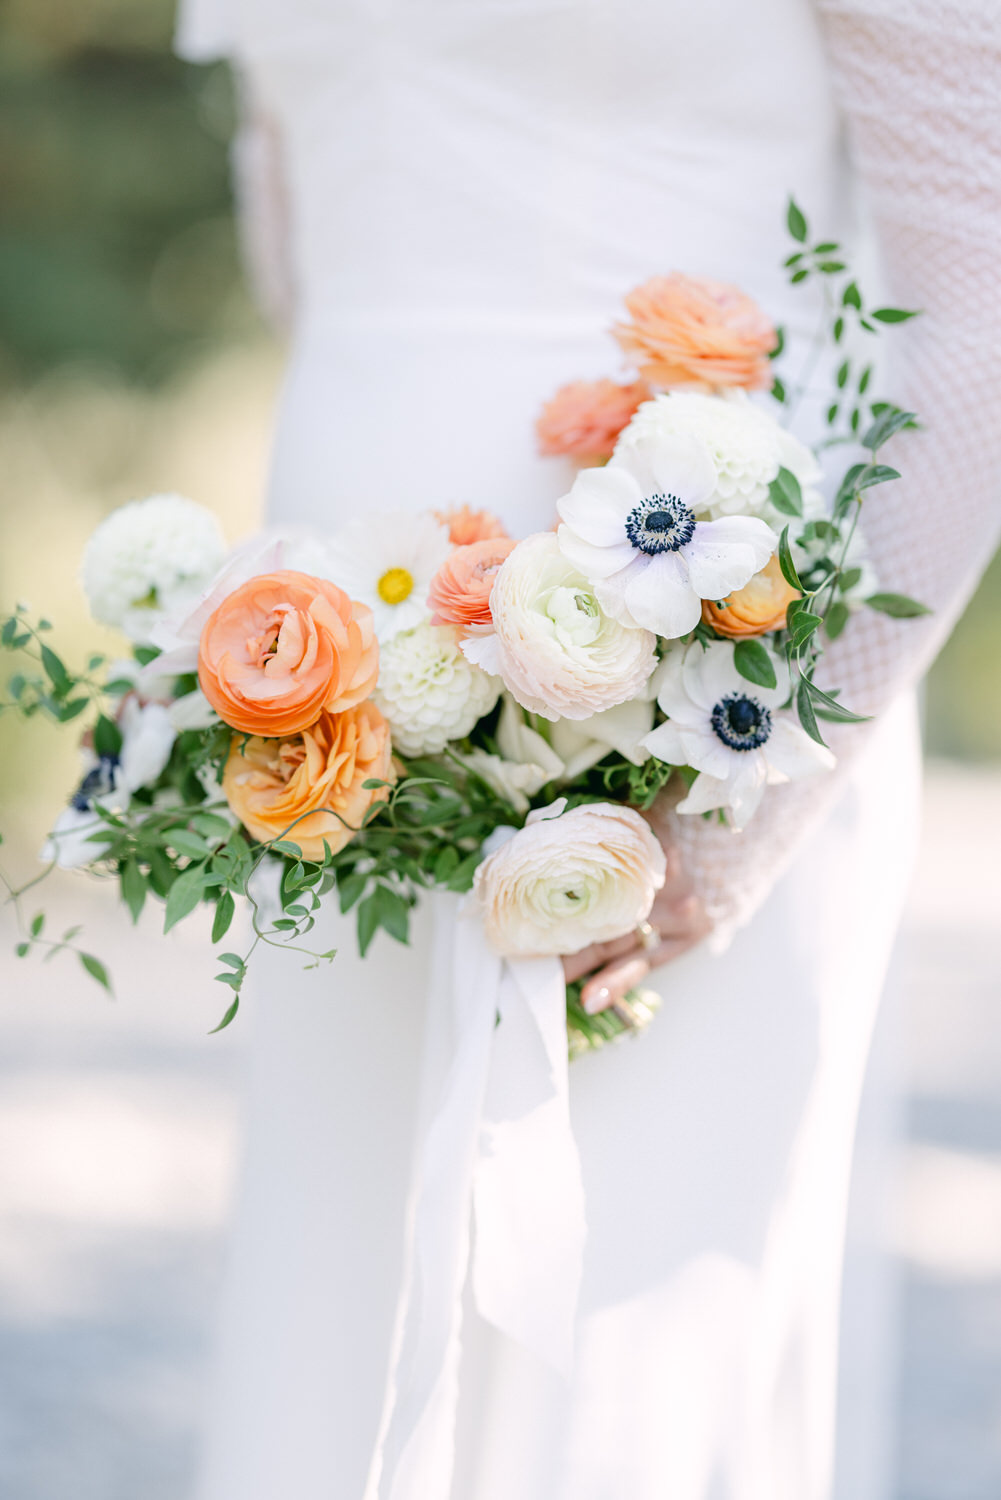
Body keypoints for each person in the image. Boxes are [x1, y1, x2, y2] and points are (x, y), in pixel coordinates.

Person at [175, 3, 1001, 1496]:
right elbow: (309, 244)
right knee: (341, 1293)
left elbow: (985, 306)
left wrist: (740, 806)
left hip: (707, 689)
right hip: (327, 691)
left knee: (622, 1347)